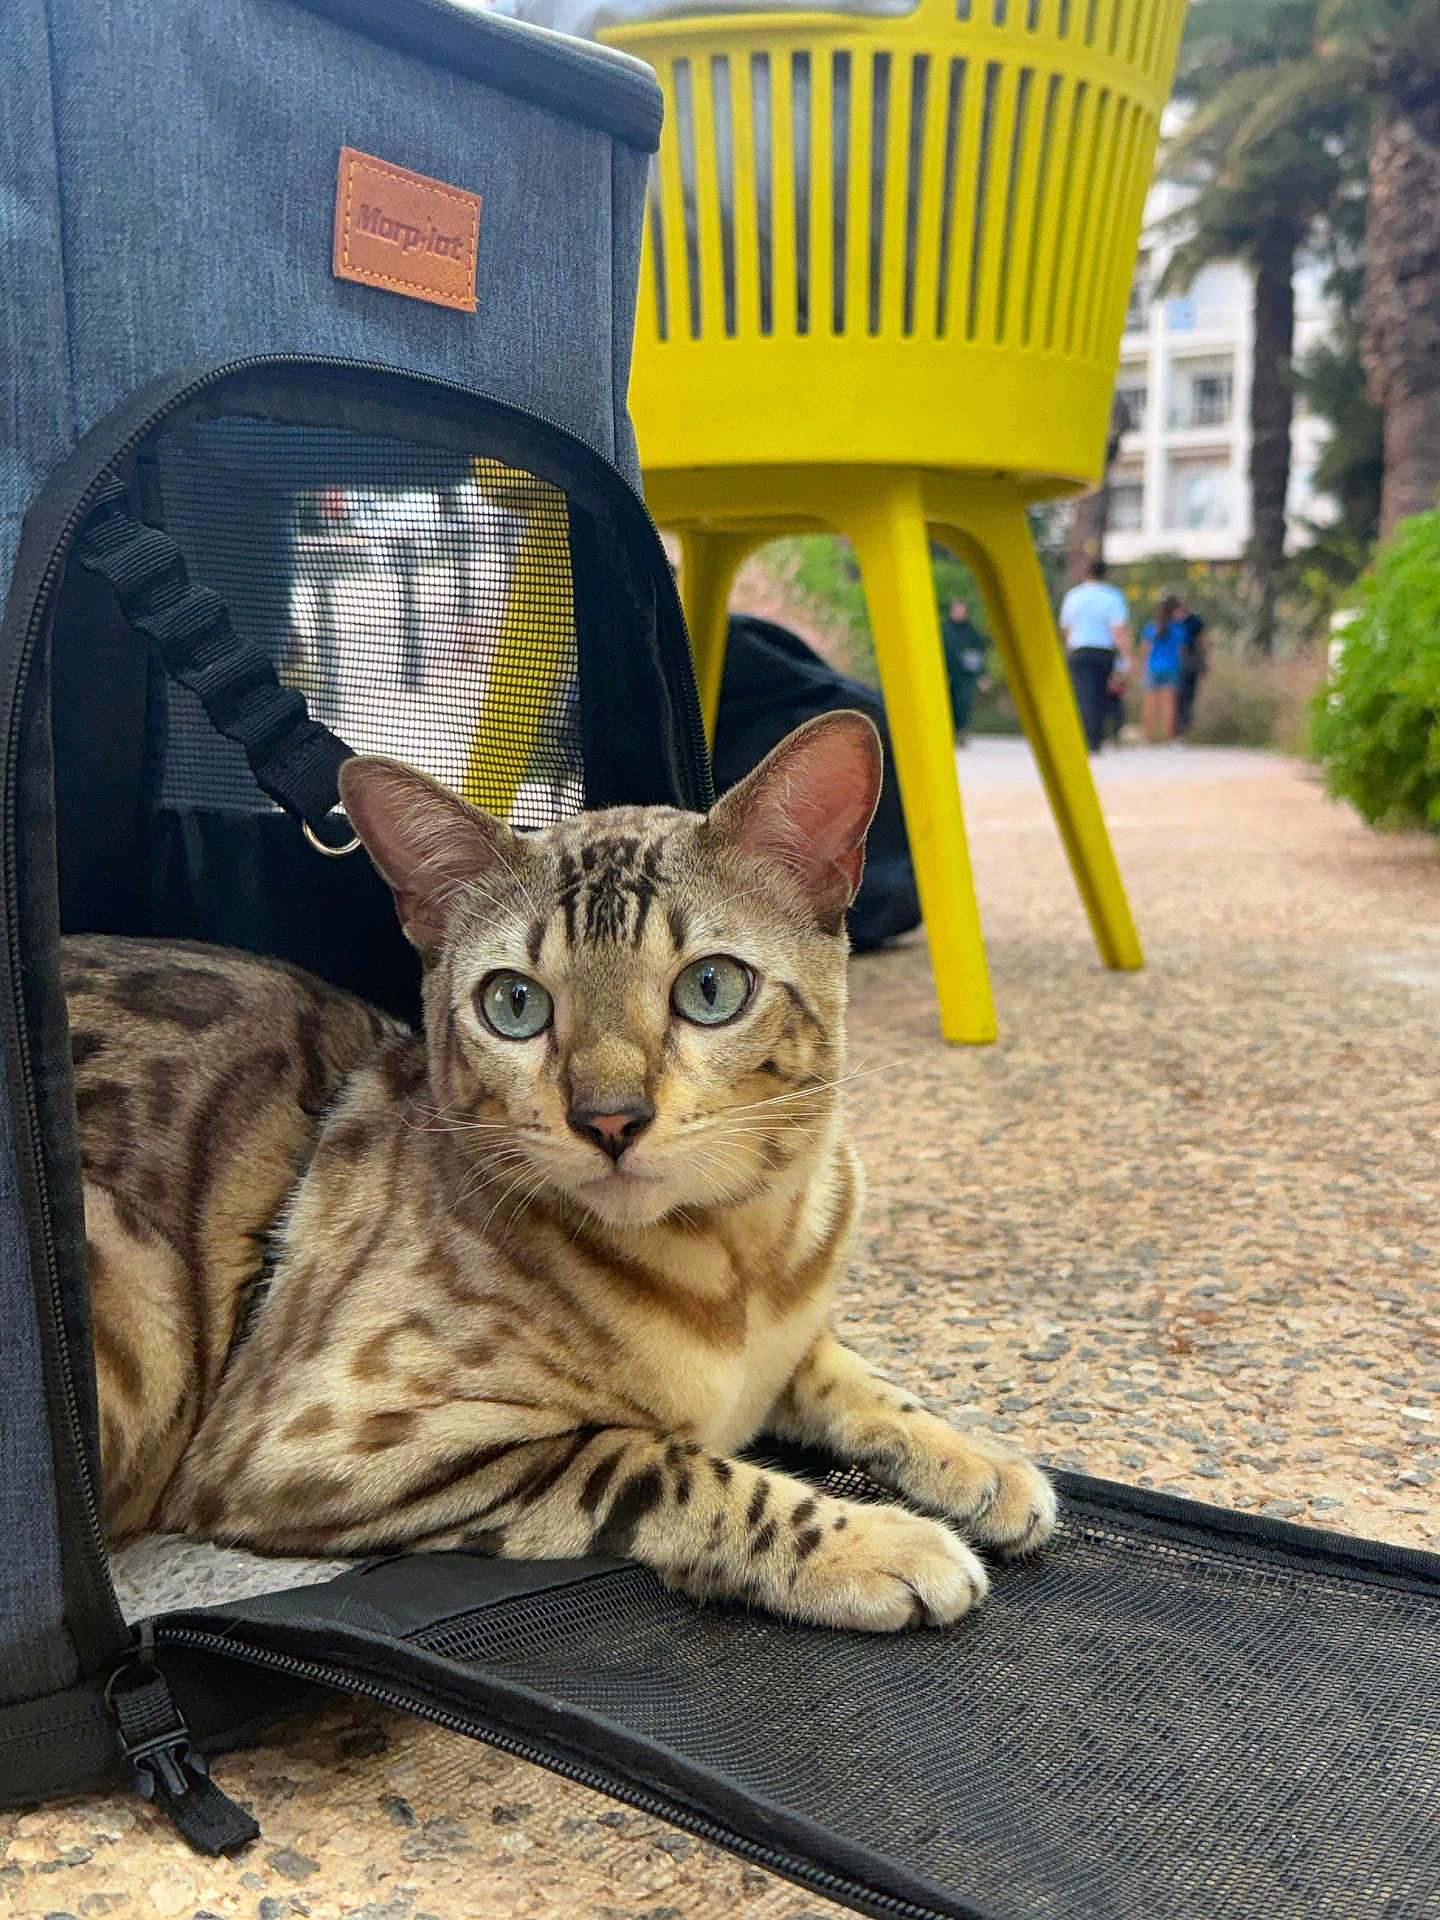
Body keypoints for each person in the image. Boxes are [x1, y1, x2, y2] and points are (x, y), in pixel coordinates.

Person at [1059, 558, 1131, 752]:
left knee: (1084, 695)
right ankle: (1095, 739)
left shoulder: (1074, 596)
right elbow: (1118, 629)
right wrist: (1126, 657)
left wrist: (1068, 646)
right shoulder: (1113, 597)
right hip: (1103, 651)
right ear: (1105, 574)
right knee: (1099, 695)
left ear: (1087, 573)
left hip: (1080, 650)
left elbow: (1065, 627)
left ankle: (1084, 737)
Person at [1138, 594, 1186, 743]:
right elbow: (1180, 650)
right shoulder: (1178, 628)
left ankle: (1146, 737)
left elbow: (1144, 649)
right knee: (1169, 705)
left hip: (1153, 667)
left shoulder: (1151, 627)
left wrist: (1142, 666)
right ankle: (1170, 737)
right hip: (1171, 667)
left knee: (1150, 704)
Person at [940, 598, 987, 743]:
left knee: (964, 703)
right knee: (948, 704)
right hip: (947, 674)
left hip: (966, 676)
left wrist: (982, 674)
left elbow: (979, 652)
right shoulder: (944, 630)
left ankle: (962, 731)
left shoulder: (971, 631)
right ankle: (949, 732)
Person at [1175, 597, 1208, 735]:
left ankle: (1184, 728)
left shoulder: (1195, 621)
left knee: (1188, 696)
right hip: (1174, 663)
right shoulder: (1170, 621)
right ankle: (1173, 729)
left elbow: (1202, 642)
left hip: (1190, 662)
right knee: (1175, 697)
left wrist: (1204, 662)